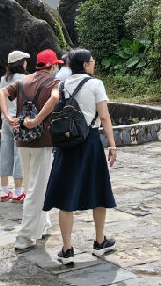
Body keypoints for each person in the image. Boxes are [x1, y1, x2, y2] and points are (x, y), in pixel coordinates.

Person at [42, 48, 118, 265]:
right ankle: (99, 241)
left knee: (66, 195)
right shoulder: (96, 84)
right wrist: (112, 145)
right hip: (90, 142)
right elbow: (104, 116)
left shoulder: (62, 84)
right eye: (92, 60)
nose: (94, 63)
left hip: (67, 143)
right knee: (98, 189)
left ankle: (67, 249)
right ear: (85, 65)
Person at [7, 49, 62, 253]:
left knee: (33, 185)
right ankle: (25, 236)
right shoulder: (53, 82)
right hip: (42, 139)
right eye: (56, 65)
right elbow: (55, 98)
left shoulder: (24, 81)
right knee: (37, 189)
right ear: (52, 65)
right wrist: (38, 120)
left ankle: (42, 225)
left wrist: (8, 117)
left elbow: (0, 93)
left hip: (22, 140)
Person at [0, 51, 29, 203]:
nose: (26, 63)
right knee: (18, 156)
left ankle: (4, 191)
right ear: (20, 63)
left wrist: (7, 116)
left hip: (6, 121)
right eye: (25, 60)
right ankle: (18, 192)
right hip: (19, 121)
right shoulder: (25, 79)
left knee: (5, 153)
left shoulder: (3, 79)